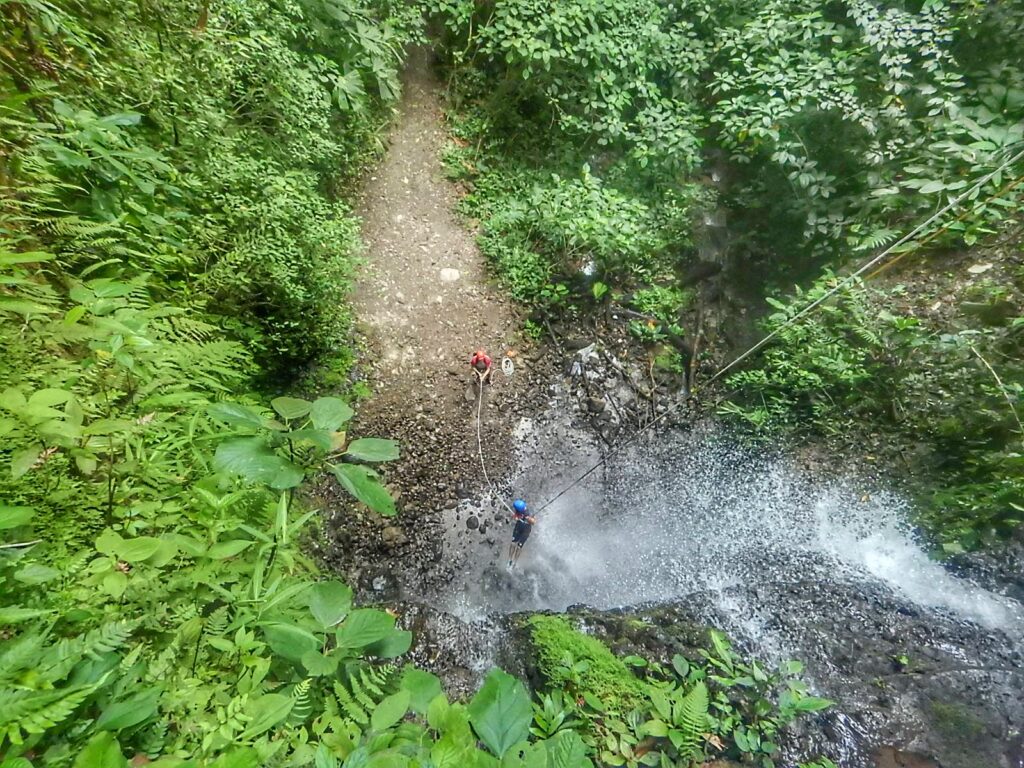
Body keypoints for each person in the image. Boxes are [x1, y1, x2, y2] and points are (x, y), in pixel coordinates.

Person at [507, 498, 536, 568]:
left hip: (526, 530)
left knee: (519, 546)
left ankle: (514, 562)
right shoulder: (518, 510)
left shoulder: (529, 512)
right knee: (513, 543)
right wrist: (515, 517)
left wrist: (529, 519)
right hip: (518, 527)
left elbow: (534, 522)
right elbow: (515, 515)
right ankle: (509, 560)